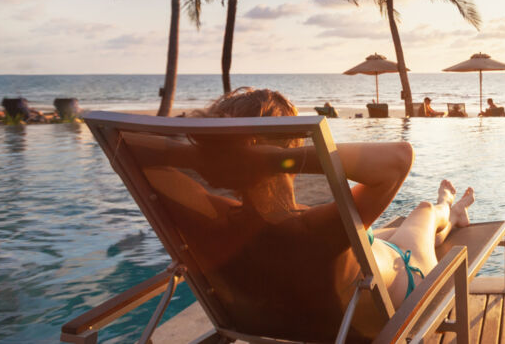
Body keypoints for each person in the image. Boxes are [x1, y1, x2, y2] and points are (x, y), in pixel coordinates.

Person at [183, 88, 475, 313]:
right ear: (290, 147)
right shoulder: (315, 227)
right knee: (423, 211)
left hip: (365, 259)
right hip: (408, 280)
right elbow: (400, 156)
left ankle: (454, 212)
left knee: (390, 232)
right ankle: (449, 204)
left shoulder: (218, 215)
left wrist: (224, 157)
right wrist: (274, 159)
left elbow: (154, 157)